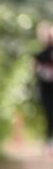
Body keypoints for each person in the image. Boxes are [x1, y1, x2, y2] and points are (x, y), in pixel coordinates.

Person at [33, 21, 53, 153]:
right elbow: (35, 69)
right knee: (50, 114)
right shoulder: (39, 54)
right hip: (45, 90)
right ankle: (49, 141)